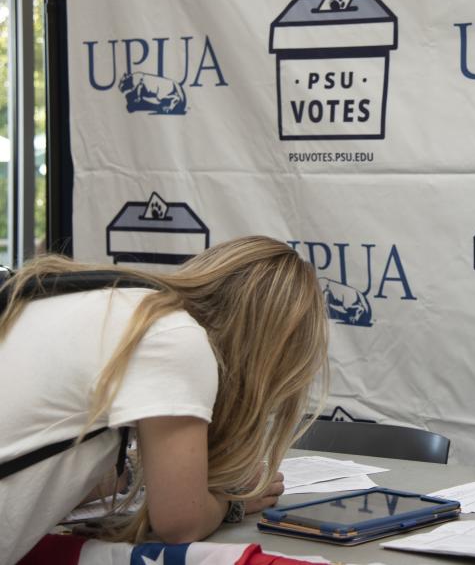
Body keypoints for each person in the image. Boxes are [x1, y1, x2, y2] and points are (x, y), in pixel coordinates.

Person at [0, 235, 330, 564]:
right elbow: (179, 524)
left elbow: (48, 462)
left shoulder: (117, 303)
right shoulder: (174, 336)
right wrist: (232, 500)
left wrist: (134, 471)